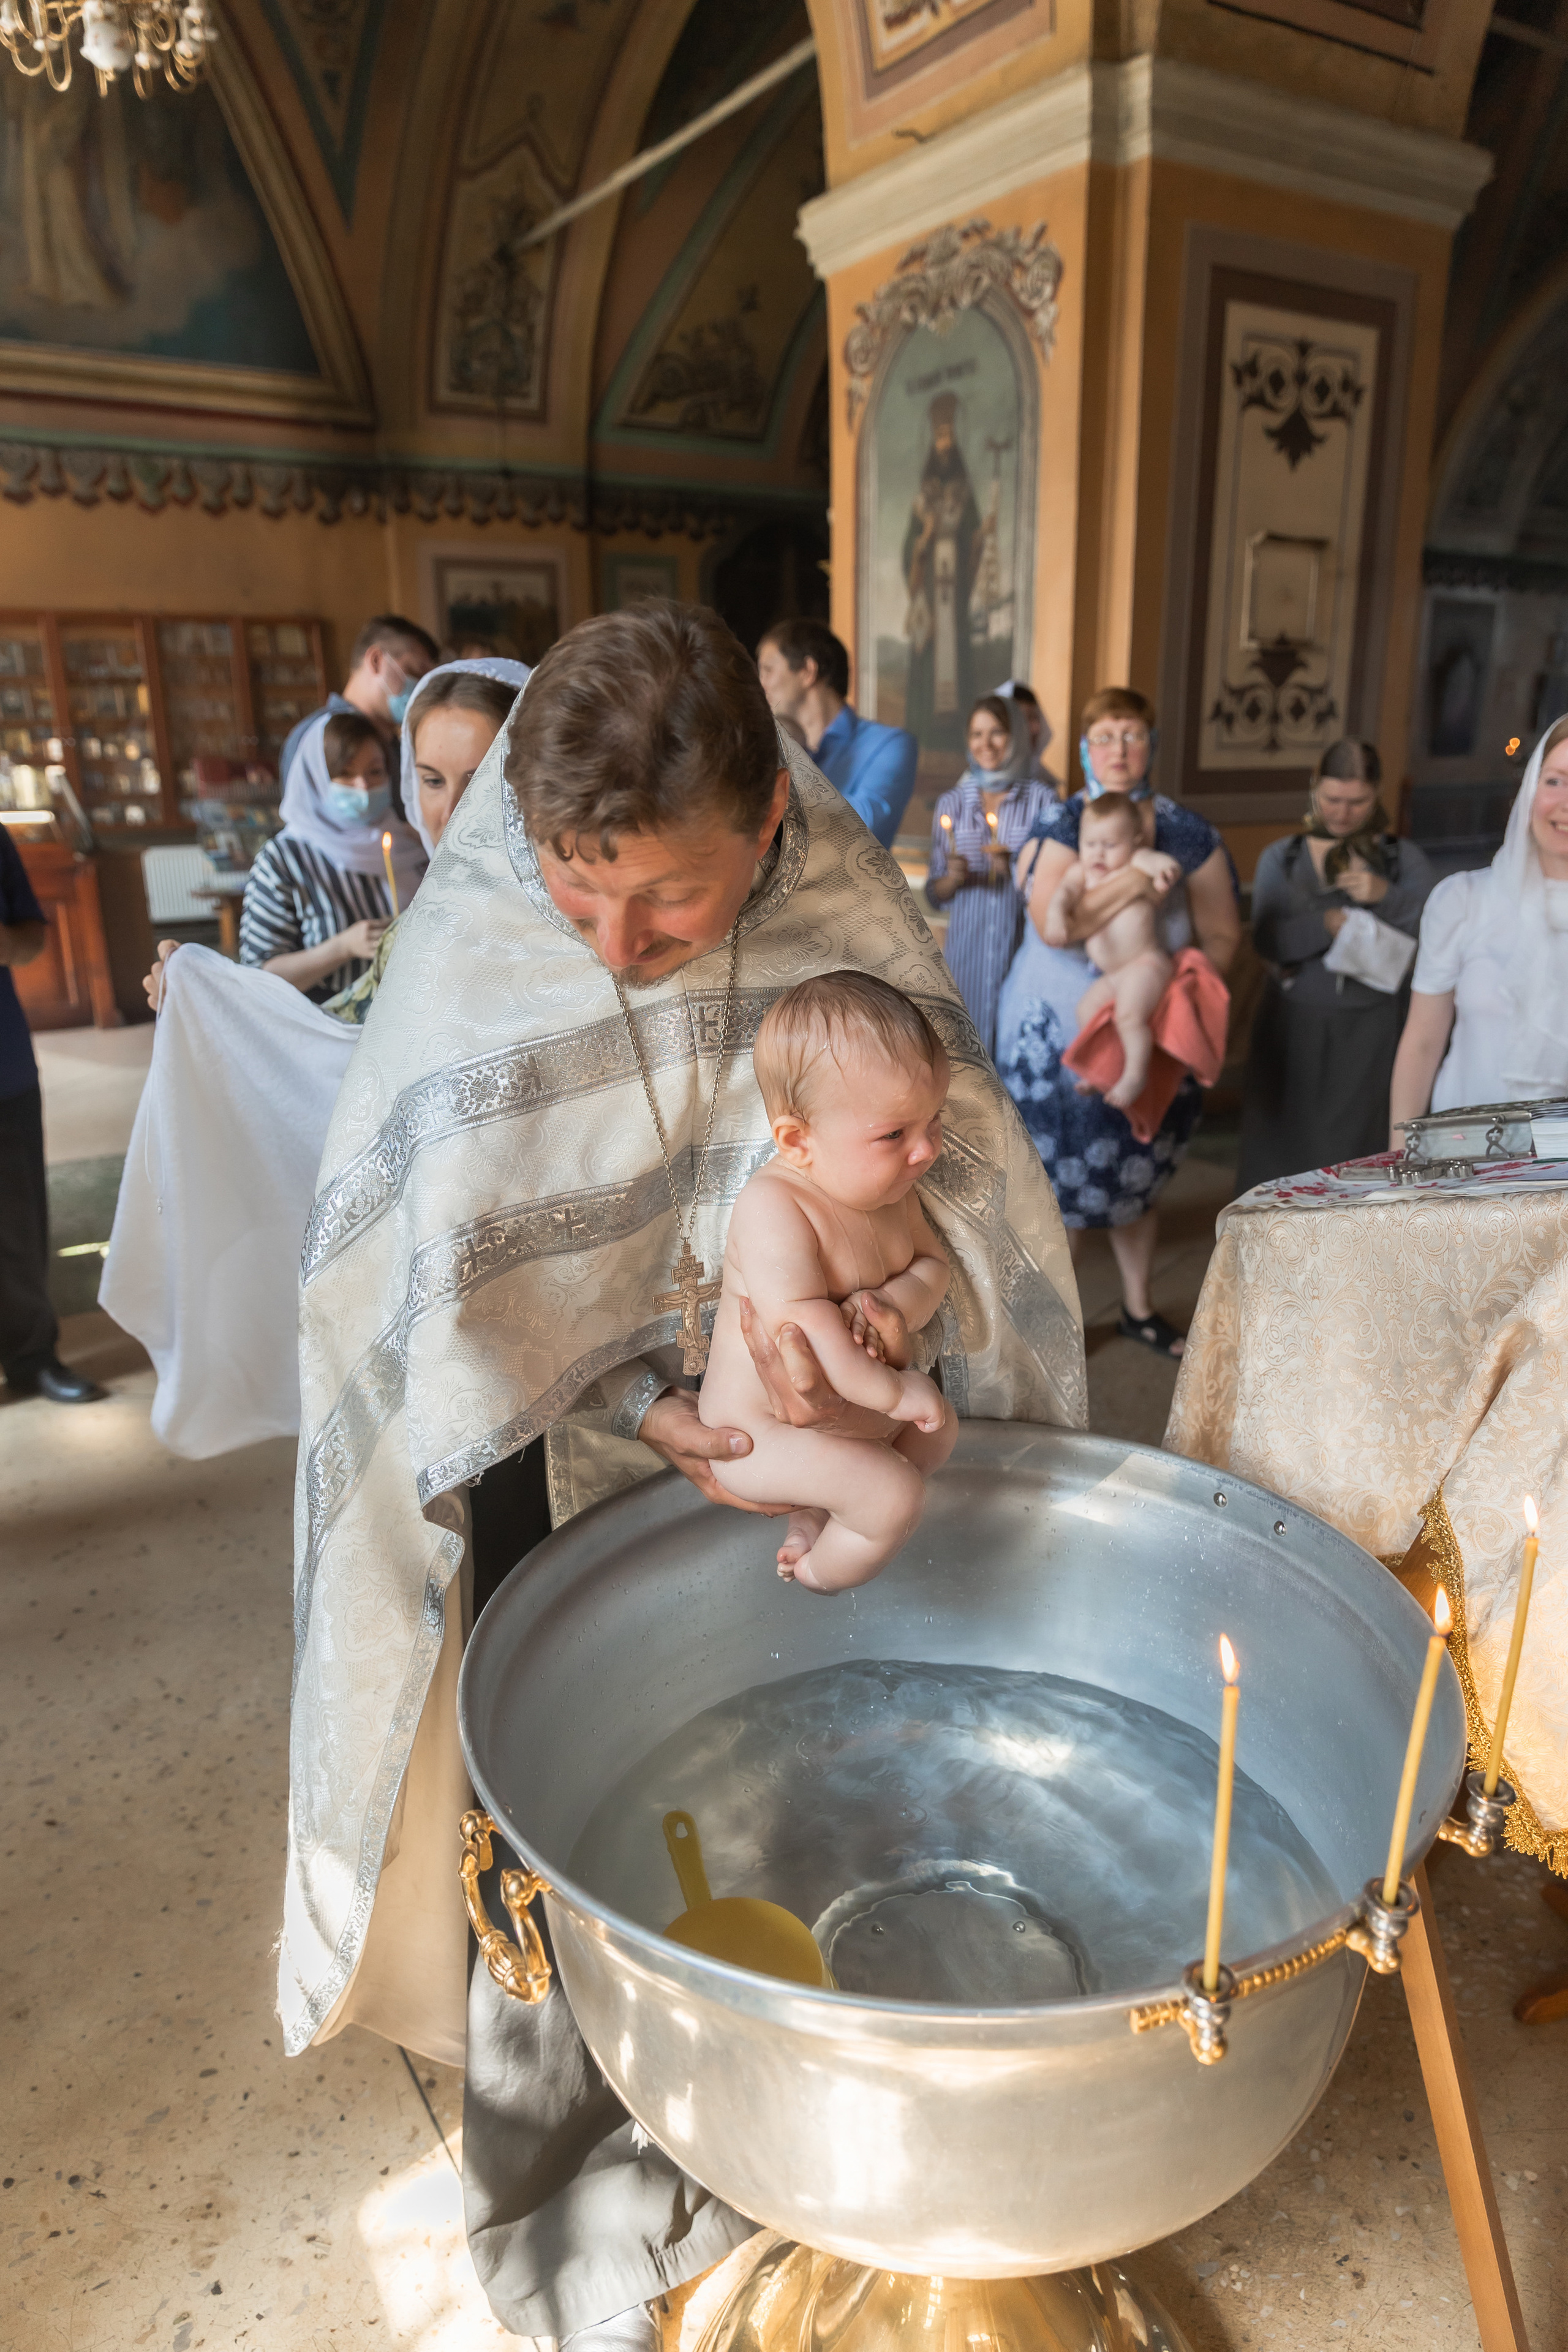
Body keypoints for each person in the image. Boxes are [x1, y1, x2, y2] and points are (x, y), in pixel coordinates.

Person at [281, 601, 1085, 2352]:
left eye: (674, 896)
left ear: (773, 833)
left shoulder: (844, 914)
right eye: (583, 883)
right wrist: (633, 1384)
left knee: (782, 1780)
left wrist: (903, 1276)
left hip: (803, 1443)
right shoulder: (485, 922)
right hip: (545, 1473)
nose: (617, 938)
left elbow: (967, 1199)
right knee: (565, 1803)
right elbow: (430, 1251)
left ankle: (791, 2134)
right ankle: (572, 2209)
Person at [110, 661, 529, 1460]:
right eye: (431, 780)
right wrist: (213, 998)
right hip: (429, 1250)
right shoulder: (428, 917)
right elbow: (347, 1030)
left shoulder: (587, 911)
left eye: (483, 777)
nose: (448, 811)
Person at [997, 686, 1240, 1358]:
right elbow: (1058, 927)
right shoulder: (1058, 825)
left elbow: (1221, 932)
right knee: (1053, 1183)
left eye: (1132, 735)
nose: (1119, 750)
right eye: (1104, 736)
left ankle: (1136, 1309)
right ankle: (1053, 1322)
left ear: (1151, 744)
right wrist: (1135, 880)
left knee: (1139, 1173)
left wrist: (1179, 992)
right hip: (1053, 1031)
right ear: (1083, 748)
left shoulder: (1187, 833)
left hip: (1149, 1016)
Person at [703, 971, 958, 1592]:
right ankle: (818, 1575)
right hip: (762, 1434)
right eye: (894, 1134)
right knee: (892, 1494)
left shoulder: (893, 1189)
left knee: (943, 1429)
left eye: (933, 1122)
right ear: (798, 1142)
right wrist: (895, 1395)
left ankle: (815, 1514)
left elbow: (935, 1267)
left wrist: (893, 1303)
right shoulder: (775, 1206)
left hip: (846, 1413)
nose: (925, 1151)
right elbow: (806, 1328)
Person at [1237, 740, 1434, 1191]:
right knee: (1282, 1148)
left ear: (1377, 794)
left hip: (1372, 1030)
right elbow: (1267, 939)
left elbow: (1436, 932)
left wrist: (1385, 895)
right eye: (1331, 800)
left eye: (1357, 802)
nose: (1342, 813)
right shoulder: (1282, 858)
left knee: (1356, 1154)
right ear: (1314, 789)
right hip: (1294, 1023)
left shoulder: (1403, 860)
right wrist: (1324, 922)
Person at [1389, 715, 1568, 1131]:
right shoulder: (1464, 901)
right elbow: (1422, 1043)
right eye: (1555, 781)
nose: (1565, 803)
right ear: (1529, 791)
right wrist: (1400, 1156)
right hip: (1462, 1155)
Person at [0, 822, 105, 1405]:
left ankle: (31, 1356)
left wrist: (6, 943)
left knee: (18, 1225)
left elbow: (32, 936)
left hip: (5, 1067)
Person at [238, 700, 428, 1003]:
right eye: (345, 774)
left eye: (375, 771)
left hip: (417, 1013)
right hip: (330, 1027)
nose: (363, 786)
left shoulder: (414, 844)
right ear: (316, 778)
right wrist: (342, 948)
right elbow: (258, 976)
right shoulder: (285, 860)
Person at [924, 694, 1055, 1055]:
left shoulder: (1043, 800)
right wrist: (953, 877)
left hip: (1022, 950)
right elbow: (936, 893)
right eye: (977, 734)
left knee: (1017, 1053)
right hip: (968, 954)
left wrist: (1013, 868)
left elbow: (1055, 884)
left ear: (1015, 737)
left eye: (997, 732)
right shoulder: (952, 803)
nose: (986, 744)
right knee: (967, 1059)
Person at [1046, 795, 1173, 1113]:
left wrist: (1164, 870)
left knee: (1129, 1017)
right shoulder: (1082, 872)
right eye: (1091, 844)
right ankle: (1102, 1071)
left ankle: (1134, 1076)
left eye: (1111, 845)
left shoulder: (1136, 860)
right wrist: (1056, 916)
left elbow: (1159, 863)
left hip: (1145, 963)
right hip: (1113, 974)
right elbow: (1062, 895)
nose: (1099, 853)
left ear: (1134, 841)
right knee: (1085, 1011)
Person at [756, 616, 918, 848]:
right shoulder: (770, 745)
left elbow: (862, 826)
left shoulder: (890, 745)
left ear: (808, 672)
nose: (761, 684)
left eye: (768, 670)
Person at [901, 391, 986, 752]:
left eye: (949, 435)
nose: (945, 442)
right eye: (939, 436)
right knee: (930, 647)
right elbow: (910, 547)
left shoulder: (965, 494)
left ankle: (957, 731)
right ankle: (926, 728)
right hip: (932, 586)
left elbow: (973, 533)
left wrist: (979, 539)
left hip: (956, 578)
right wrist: (924, 539)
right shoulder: (923, 498)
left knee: (955, 646)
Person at [277, 612, 438, 794]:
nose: (422, 689)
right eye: (414, 673)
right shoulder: (316, 737)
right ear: (376, 660)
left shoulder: (398, 745)